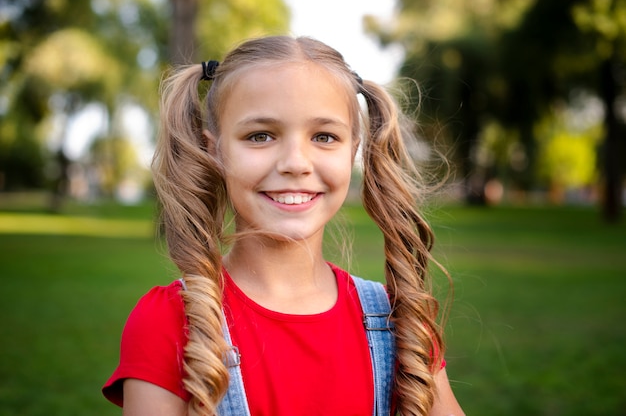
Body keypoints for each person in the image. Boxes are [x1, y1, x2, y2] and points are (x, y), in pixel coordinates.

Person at [103, 35, 465, 416]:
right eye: (260, 136)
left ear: (353, 149)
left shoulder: (399, 324)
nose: (296, 162)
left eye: (324, 137)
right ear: (215, 150)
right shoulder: (168, 322)